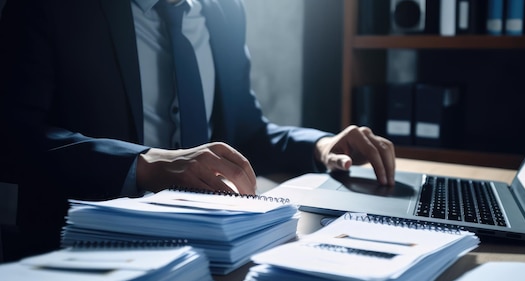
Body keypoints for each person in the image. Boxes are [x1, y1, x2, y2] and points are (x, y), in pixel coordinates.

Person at [0, 0, 395, 260]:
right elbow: (13, 138)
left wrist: (323, 145)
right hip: (84, 253)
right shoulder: (50, 7)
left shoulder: (224, 12)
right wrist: (143, 164)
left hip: (210, 249)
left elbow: (247, 132)